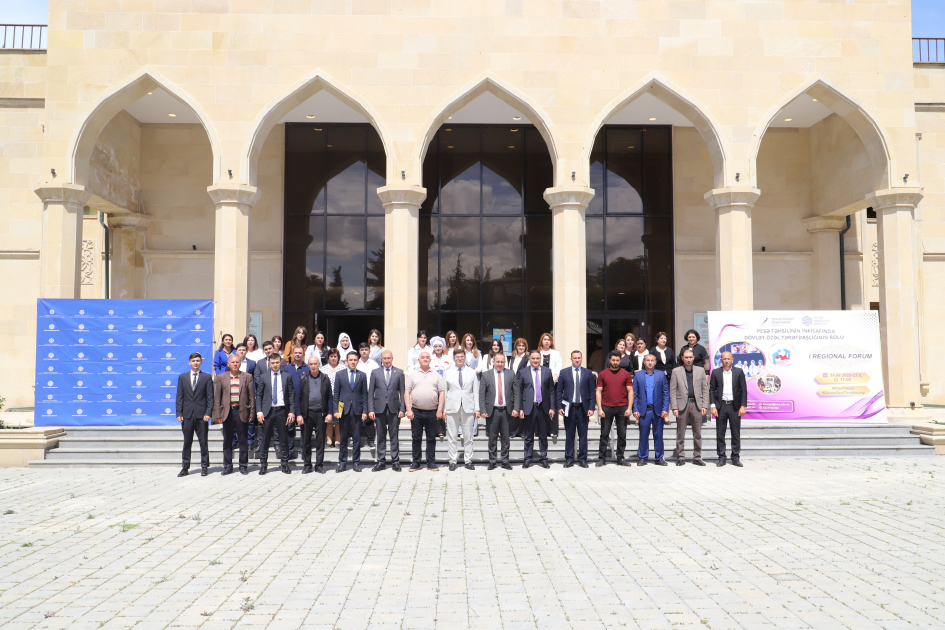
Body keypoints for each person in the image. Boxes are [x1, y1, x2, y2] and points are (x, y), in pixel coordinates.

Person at [212, 354, 256, 475]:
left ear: (240, 363)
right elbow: (217, 398)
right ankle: (227, 466)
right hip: (227, 412)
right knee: (227, 440)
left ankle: (243, 466)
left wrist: (252, 412)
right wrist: (218, 415)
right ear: (228, 364)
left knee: (243, 440)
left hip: (242, 411)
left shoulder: (247, 377)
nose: (235, 364)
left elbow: (252, 397)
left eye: (237, 362)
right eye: (233, 362)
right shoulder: (221, 377)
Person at [254, 353, 296, 475]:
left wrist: (292, 412)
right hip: (268, 411)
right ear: (269, 364)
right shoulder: (263, 377)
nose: (275, 365)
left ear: (281, 362)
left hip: (282, 411)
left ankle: (285, 464)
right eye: (273, 363)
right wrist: (259, 411)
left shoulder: (287, 376)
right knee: (265, 440)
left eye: (277, 362)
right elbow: (260, 395)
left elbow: (291, 395)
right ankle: (263, 465)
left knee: (284, 439)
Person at [404, 350, 445, 472]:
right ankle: (415, 463)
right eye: (423, 357)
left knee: (431, 438)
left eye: (427, 357)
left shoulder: (436, 375)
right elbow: (407, 393)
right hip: (416, 412)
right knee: (416, 438)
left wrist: (440, 410)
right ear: (419, 360)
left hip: (432, 412)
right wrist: (408, 410)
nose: (425, 359)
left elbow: (441, 393)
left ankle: (431, 462)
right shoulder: (413, 374)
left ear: (430, 360)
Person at [556, 350, 596, 468]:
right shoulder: (564, 372)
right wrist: (559, 407)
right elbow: (559, 391)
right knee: (569, 434)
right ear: (571, 359)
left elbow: (591, 392)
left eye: (579, 358)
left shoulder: (588, 373)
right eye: (575, 358)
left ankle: (582, 459)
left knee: (583, 435)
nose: (577, 360)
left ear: (581, 359)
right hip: (569, 408)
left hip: (583, 408)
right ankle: (569, 458)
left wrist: (592, 407)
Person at [516, 349, 556, 469]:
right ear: (529, 359)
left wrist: (552, 407)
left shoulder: (547, 371)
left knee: (543, 435)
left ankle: (544, 458)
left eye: (537, 358)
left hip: (543, 408)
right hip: (529, 408)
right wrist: (520, 408)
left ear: (541, 359)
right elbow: (519, 391)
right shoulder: (523, 372)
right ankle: (528, 459)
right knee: (528, 436)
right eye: (533, 358)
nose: (535, 360)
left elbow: (551, 391)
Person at [176, 352, 214, 477]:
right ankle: (185, 468)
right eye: (193, 361)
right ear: (189, 362)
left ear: (201, 362)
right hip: (187, 415)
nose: (196, 363)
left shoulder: (207, 377)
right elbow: (179, 397)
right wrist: (179, 412)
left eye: (198, 360)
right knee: (187, 442)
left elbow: (210, 398)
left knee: (203, 442)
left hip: (202, 415)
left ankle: (204, 467)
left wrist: (208, 413)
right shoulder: (183, 377)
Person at [367, 349, 406, 472]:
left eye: (389, 358)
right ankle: (381, 461)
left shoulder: (399, 372)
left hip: (394, 409)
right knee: (381, 436)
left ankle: (395, 461)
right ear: (381, 359)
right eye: (385, 358)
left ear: (392, 358)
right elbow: (370, 392)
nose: (387, 360)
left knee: (394, 436)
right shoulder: (375, 372)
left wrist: (402, 408)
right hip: (379, 409)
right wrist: (371, 409)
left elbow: (403, 392)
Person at [478, 352, 517, 470]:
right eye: (497, 362)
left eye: (502, 362)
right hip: (492, 411)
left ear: (505, 362)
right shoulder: (486, 375)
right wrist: (483, 410)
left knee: (506, 438)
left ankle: (505, 461)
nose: (499, 364)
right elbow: (482, 395)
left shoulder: (511, 373)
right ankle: (492, 461)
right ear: (493, 362)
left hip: (506, 411)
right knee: (492, 437)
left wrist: (516, 408)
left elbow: (516, 393)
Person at [595, 350, 634, 467]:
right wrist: (600, 409)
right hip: (606, 407)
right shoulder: (602, 374)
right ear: (609, 360)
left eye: (617, 360)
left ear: (620, 361)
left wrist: (630, 408)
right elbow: (598, 392)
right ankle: (602, 458)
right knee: (604, 434)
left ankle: (620, 458)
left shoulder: (626, 374)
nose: (615, 362)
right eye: (613, 360)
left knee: (622, 434)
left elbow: (630, 391)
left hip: (622, 407)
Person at [669, 348, 708, 466]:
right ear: (682, 358)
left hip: (696, 405)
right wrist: (674, 407)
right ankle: (681, 457)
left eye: (690, 357)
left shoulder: (700, 370)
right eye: (686, 357)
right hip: (681, 406)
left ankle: (697, 457)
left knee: (697, 433)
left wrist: (704, 405)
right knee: (680, 433)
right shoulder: (676, 371)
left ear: (694, 358)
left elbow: (704, 389)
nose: (689, 359)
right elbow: (673, 390)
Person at [443, 350, 479, 471]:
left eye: (462, 357)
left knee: (468, 437)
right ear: (454, 358)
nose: (460, 359)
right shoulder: (447, 373)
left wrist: (477, 408)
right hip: (452, 408)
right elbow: (445, 392)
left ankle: (468, 460)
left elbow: (475, 392)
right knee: (452, 436)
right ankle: (452, 461)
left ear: (465, 358)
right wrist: (444, 409)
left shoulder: (471, 372)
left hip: (468, 408)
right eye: (457, 357)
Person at [710, 351, 747, 467]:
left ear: (732, 360)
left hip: (734, 407)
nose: (726, 360)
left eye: (728, 358)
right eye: (724, 359)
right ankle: (721, 457)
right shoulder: (715, 372)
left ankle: (735, 457)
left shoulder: (739, 372)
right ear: (721, 360)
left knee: (735, 433)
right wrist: (713, 406)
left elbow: (744, 390)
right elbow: (711, 390)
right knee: (720, 434)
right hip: (721, 406)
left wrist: (743, 406)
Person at [333, 351, 369, 473]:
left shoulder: (362, 375)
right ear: (346, 361)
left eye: (355, 360)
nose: (353, 362)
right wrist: (336, 410)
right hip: (343, 410)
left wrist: (365, 410)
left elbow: (365, 395)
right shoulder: (340, 374)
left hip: (357, 411)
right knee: (343, 437)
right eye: (351, 360)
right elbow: (336, 394)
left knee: (357, 438)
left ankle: (356, 463)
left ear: (357, 361)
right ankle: (342, 463)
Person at [632, 354, 671, 466]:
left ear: (655, 362)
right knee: (643, 435)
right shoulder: (638, 375)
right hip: (644, 410)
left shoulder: (660, 375)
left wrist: (665, 409)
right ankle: (643, 457)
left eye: (652, 360)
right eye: (647, 360)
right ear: (644, 362)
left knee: (658, 435)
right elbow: (634, 394)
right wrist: (635, 409)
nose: (649, 362)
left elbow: (665, 393)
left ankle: (659, 457)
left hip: (658, 410)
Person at [297, 354, 332, 474]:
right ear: (308, 365)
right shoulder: (303, 378)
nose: (313, 366)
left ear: (319, 364)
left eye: (315, 364)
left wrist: (330, 413)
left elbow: (330, 398)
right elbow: (298, 397)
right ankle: (307, 465)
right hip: (307, 414)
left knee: (320, 440)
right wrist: (299, 414)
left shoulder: (325, 378)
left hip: (321, 414)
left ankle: (319, 465)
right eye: (311, 364)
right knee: (306, 440)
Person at [283, 345, 309, 460]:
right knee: (289, 427)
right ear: (292, 354)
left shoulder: (307, 368)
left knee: (304, 428)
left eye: (300, 353)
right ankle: (289, 451)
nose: (298, 354)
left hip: (304, 402)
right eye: (296, 352)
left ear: (303, 354)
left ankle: (304, 452)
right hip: (289, 402)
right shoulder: (286, 368)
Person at [355, 342, 380, 449]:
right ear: (359, 351)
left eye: (366, 349)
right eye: (362, 350)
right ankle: (357, 440)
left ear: (369, 351)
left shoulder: (374, 364)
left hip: (370, 394)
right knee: (357, 418)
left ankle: (370, 441)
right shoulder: (356, 363)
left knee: (370, 418)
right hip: (357, 394)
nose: (364, 351)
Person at [319, 348, 344, 448]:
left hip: (340, 397)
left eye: (335, 356)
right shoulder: (323, 369)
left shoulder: (343, 368)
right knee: (329, 420)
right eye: (331, 356)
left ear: (338, 358)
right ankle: (329, 441)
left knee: (338, 420)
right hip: (327, 397)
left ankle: (338, 441)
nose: (333, 358)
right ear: (328, 357)